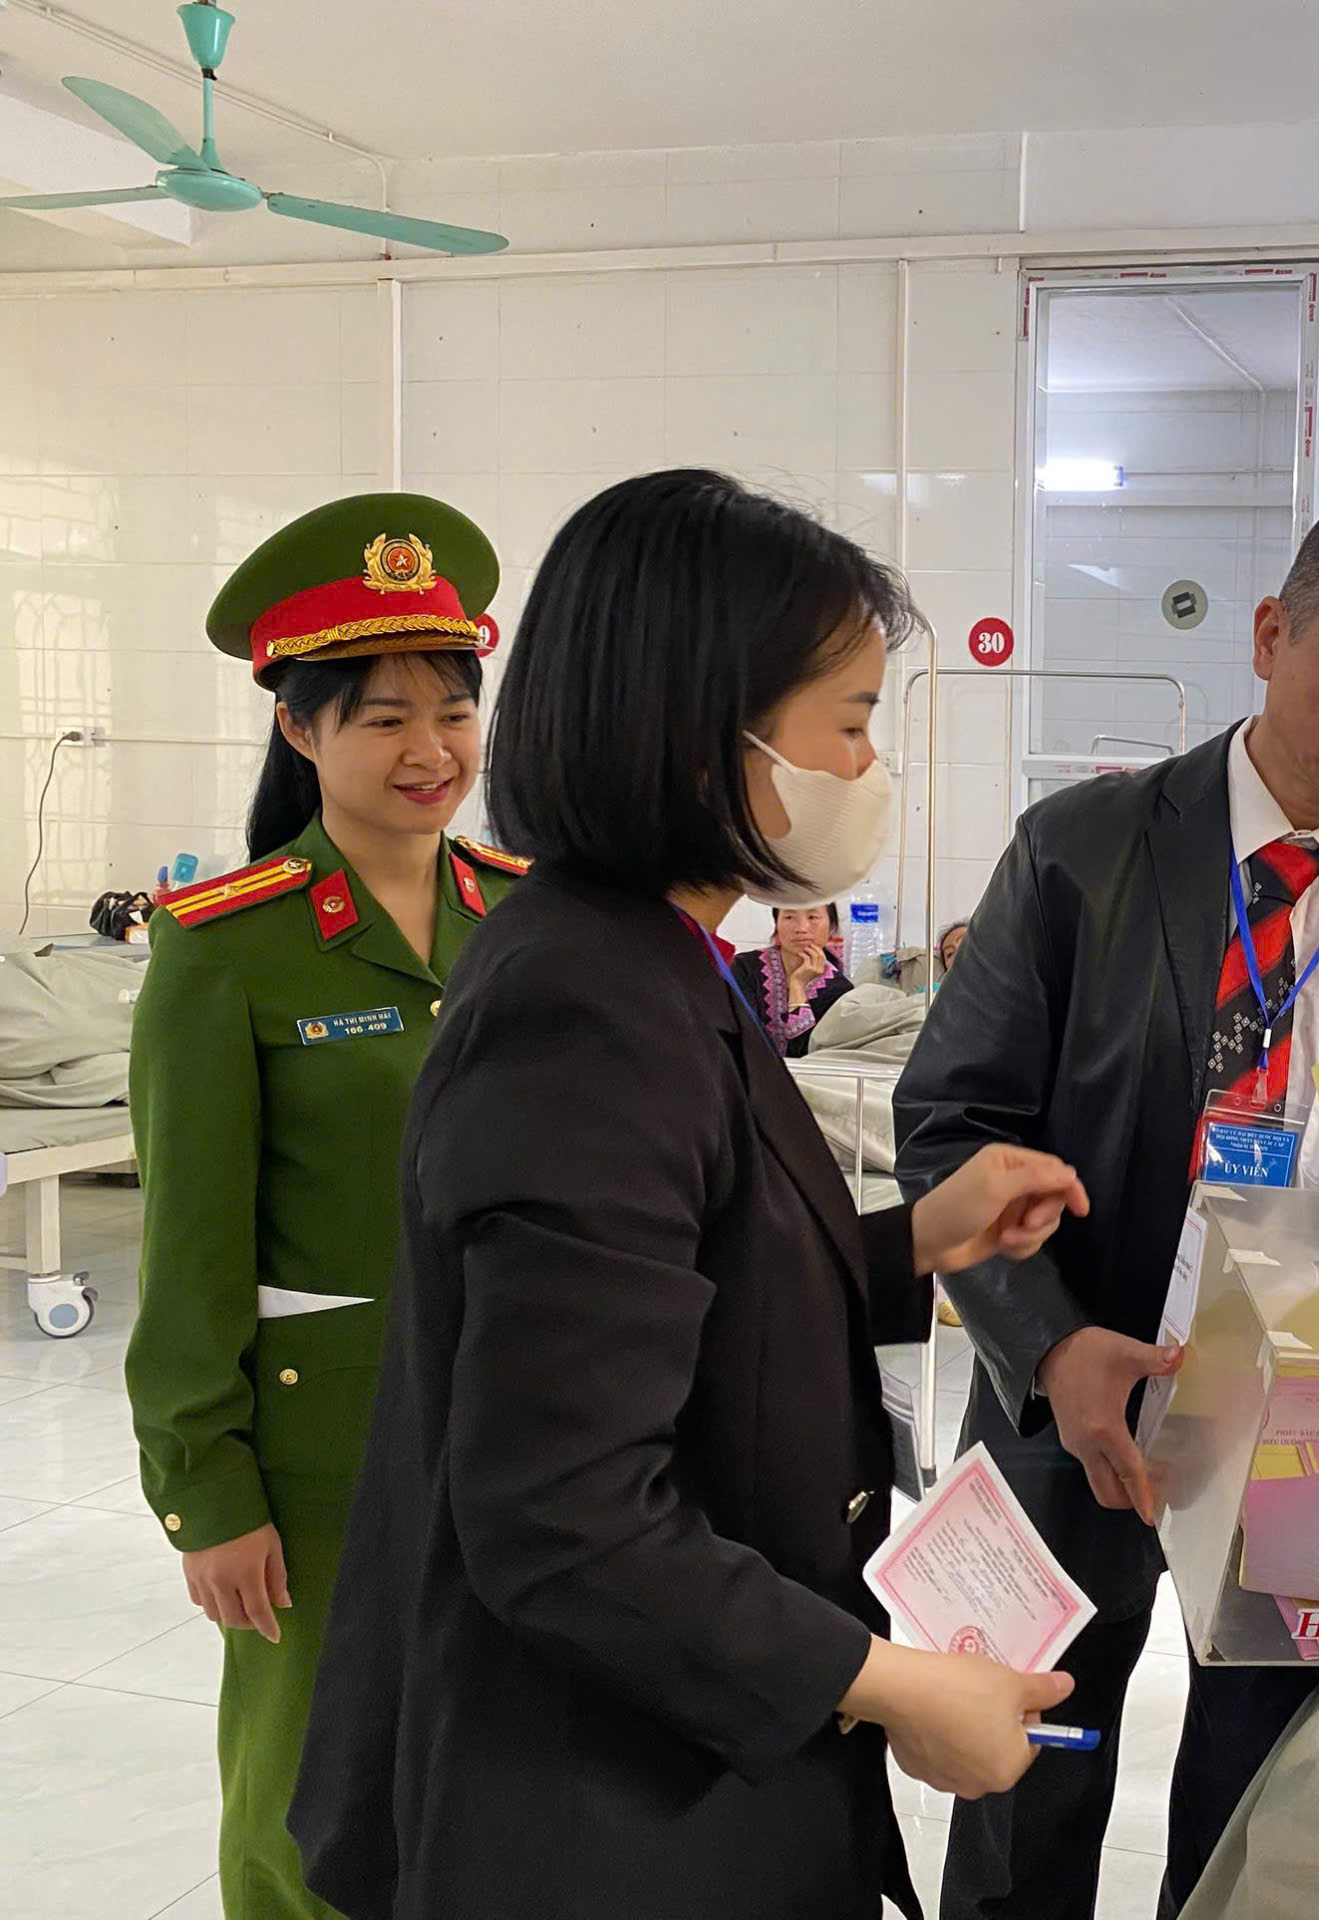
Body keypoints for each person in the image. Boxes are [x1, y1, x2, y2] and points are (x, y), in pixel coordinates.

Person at [289, 471, 1089, 1920]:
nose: (869, 767)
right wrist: (887, 1683)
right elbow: (565, 1512)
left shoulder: (649, 959)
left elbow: (682, 1280)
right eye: (850, 722)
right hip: (596, 1805)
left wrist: (915, 1241)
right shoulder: (586, 1005)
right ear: (704, 735)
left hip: (670, 1760)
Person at [895, 495, 1319, 1920]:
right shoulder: (1082, 854)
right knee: (1027, 1771)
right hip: (1082, 1389)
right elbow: (951, 1121)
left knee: (1264, 1798)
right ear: (1270, 637)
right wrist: (1049, 1345)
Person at [123, 493, 518, 1920]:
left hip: (524, 1416)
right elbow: (188, 1251)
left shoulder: (527, 918)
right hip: (325, 1445)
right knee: (311, 1795)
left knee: (496, 1769)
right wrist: (208, 1490)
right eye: (382, 718)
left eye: (453, 711)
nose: (431, 751)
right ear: (299, 729)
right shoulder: (229, 950)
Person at [736, 900, 858, 1055]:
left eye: (813, 917)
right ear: (777, 924)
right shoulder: (744, 967)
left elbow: (810, 1054)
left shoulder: (840, 989)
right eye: (789, 917)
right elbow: (739, 1036)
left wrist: (797, 987)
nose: (801, 928)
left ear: (831, 927)